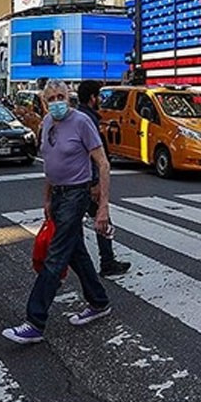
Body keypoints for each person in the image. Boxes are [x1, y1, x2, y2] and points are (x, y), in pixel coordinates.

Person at [3, 80, 113, 344]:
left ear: (69, 97)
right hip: (59, 195)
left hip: (77, 193)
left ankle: (34, 321)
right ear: (44, 101)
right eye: (50, 98)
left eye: (60, 96)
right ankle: (99, 302)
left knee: (55, 256)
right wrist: (48, 199)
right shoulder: (48, 123)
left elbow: (103, 163)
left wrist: (103, 207)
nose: (56, 102)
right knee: (75, 252)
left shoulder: (82, 122)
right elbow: (50, 165)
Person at [76, 80, 131, 278]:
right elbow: (91, 154)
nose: (100, 99)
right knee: (101, 219)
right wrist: (95, 182)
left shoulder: (80, 116)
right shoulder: (87, 119)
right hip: (87, 182)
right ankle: (106, 262)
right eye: (98, 96)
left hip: (79, 182)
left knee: (83, 225)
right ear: (92, 98)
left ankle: (106, 261)